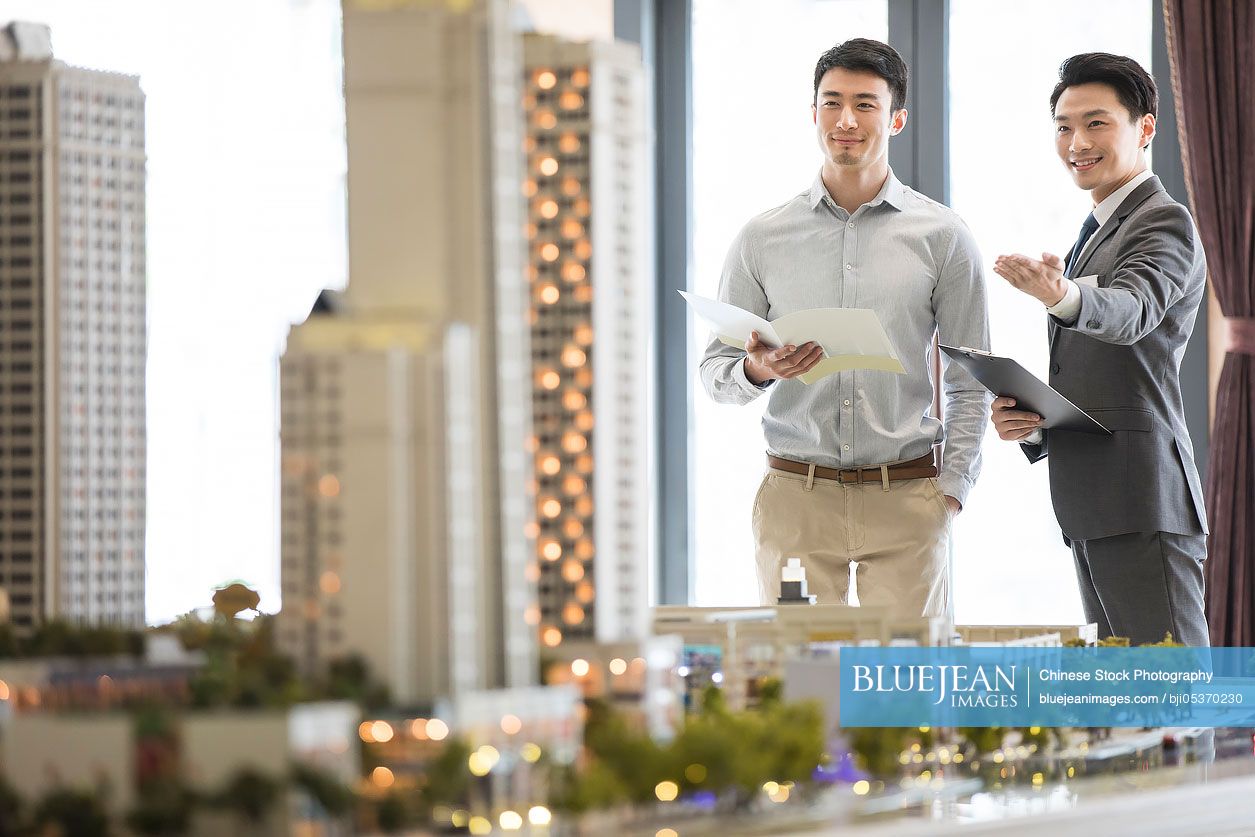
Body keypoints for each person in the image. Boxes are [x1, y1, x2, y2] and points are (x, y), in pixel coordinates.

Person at [699, 38, 991, 619]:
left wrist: (951, 490)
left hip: (907, 499)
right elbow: (715, 374)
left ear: (897, 118)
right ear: (813, 114)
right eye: (831, 103)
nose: (846, 120)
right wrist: (759, 368)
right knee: (803, 692)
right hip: (795, 504)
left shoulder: (944, 236)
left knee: (906, 694)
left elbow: (971, 379)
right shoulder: (762, 238)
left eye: (865, 104)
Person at [991, 52, 1209, 646]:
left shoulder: (1163, 222)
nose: (1076, 142)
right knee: (1126, 705)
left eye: (1096, 123)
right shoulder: (1101, 229)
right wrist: (1034, 424)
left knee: (1171, 701)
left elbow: (1131, 311)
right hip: (1099, 501)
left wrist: (1061, 296)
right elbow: (1101, 374)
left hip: (1142, 499)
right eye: (1064, 126)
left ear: (1144, 127)